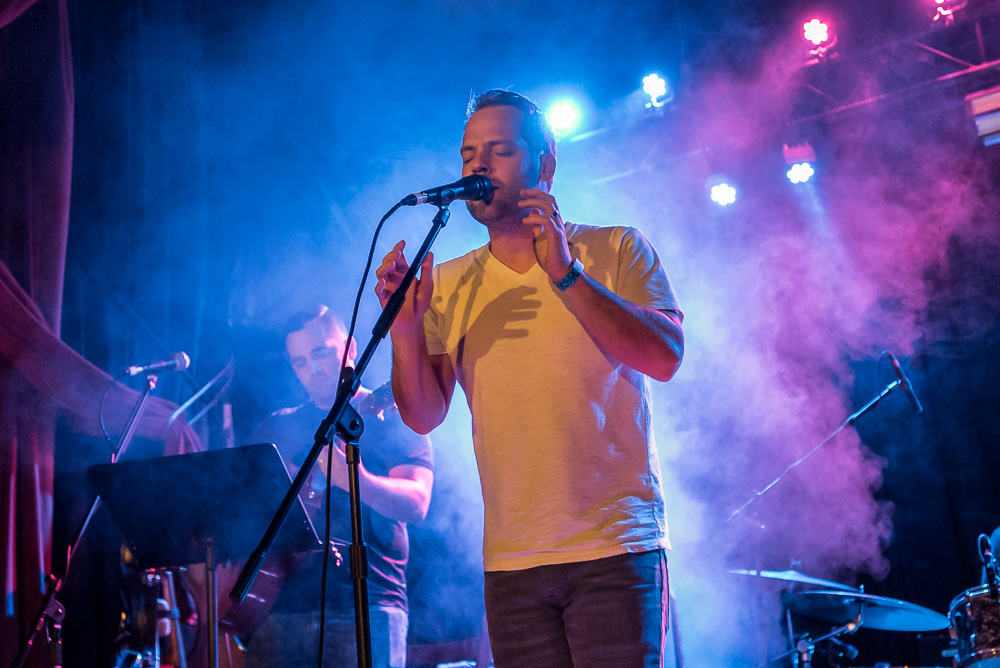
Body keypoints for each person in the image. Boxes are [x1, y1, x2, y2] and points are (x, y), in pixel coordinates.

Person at [374, 89, 684, 667]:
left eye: (499, 150)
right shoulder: (448, 280)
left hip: (614, 550)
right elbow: (422, 413)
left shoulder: (613, 247)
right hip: (511, 563)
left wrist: (566, 275)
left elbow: (665, 356)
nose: (478, 167)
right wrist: (407, 330)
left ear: (545, 163)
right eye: (468, 155)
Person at [244, 306, 434, 668]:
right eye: (299, 361)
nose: (312, 369)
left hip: (369, 604)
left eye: (320, 353)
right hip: (282, 608)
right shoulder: (277, 428)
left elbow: (417, 502)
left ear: (349, 349)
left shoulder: (391, 411)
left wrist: (354, 480)